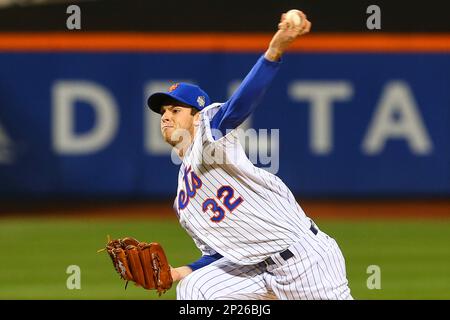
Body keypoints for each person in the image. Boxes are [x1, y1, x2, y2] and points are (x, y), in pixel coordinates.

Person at [147, 10, 352, 300]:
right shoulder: (184, 201)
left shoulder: (210, 134)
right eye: (163, 112)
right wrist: (178, 272)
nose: (166, 117)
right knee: (195, 289)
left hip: (305, 262)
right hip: (255, 273)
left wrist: (274, 51)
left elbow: (239, 104)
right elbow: (220, 254)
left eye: (175, 110)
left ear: (196, 117)